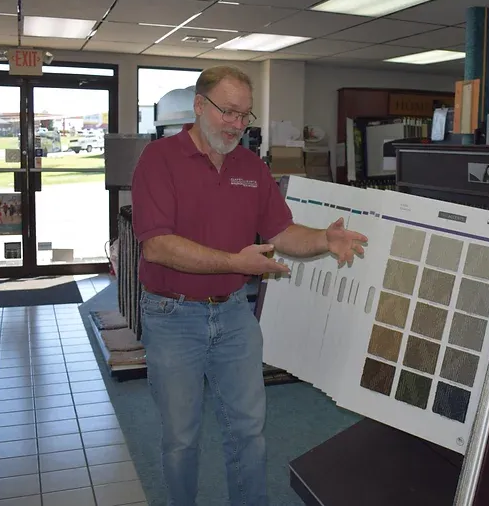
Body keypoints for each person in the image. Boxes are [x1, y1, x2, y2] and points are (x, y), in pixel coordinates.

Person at [131, 65, 367, 506]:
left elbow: (281, 232)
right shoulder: (159, 159)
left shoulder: (250, 167)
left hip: (234, 314)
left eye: (246, 116)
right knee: (181, 438)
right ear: (200, 106)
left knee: (249, 430)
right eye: (229, 112)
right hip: (172, 316)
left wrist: (322, 239)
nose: (238, 125)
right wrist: (236, 262)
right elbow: (158, 247)